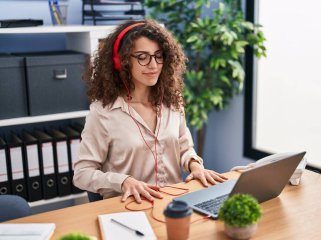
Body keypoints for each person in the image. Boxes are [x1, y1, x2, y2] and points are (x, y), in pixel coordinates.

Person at [73, 20, 227, 203]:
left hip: (173, 203)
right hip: (128, 208)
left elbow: (184, 147)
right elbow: (81, 174)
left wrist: (195, 166)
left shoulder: (173, 101)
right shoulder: (103, 113)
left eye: (158, 55)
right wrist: (123, 182)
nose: (153, 65)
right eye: (142, 56)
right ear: (121, 61)